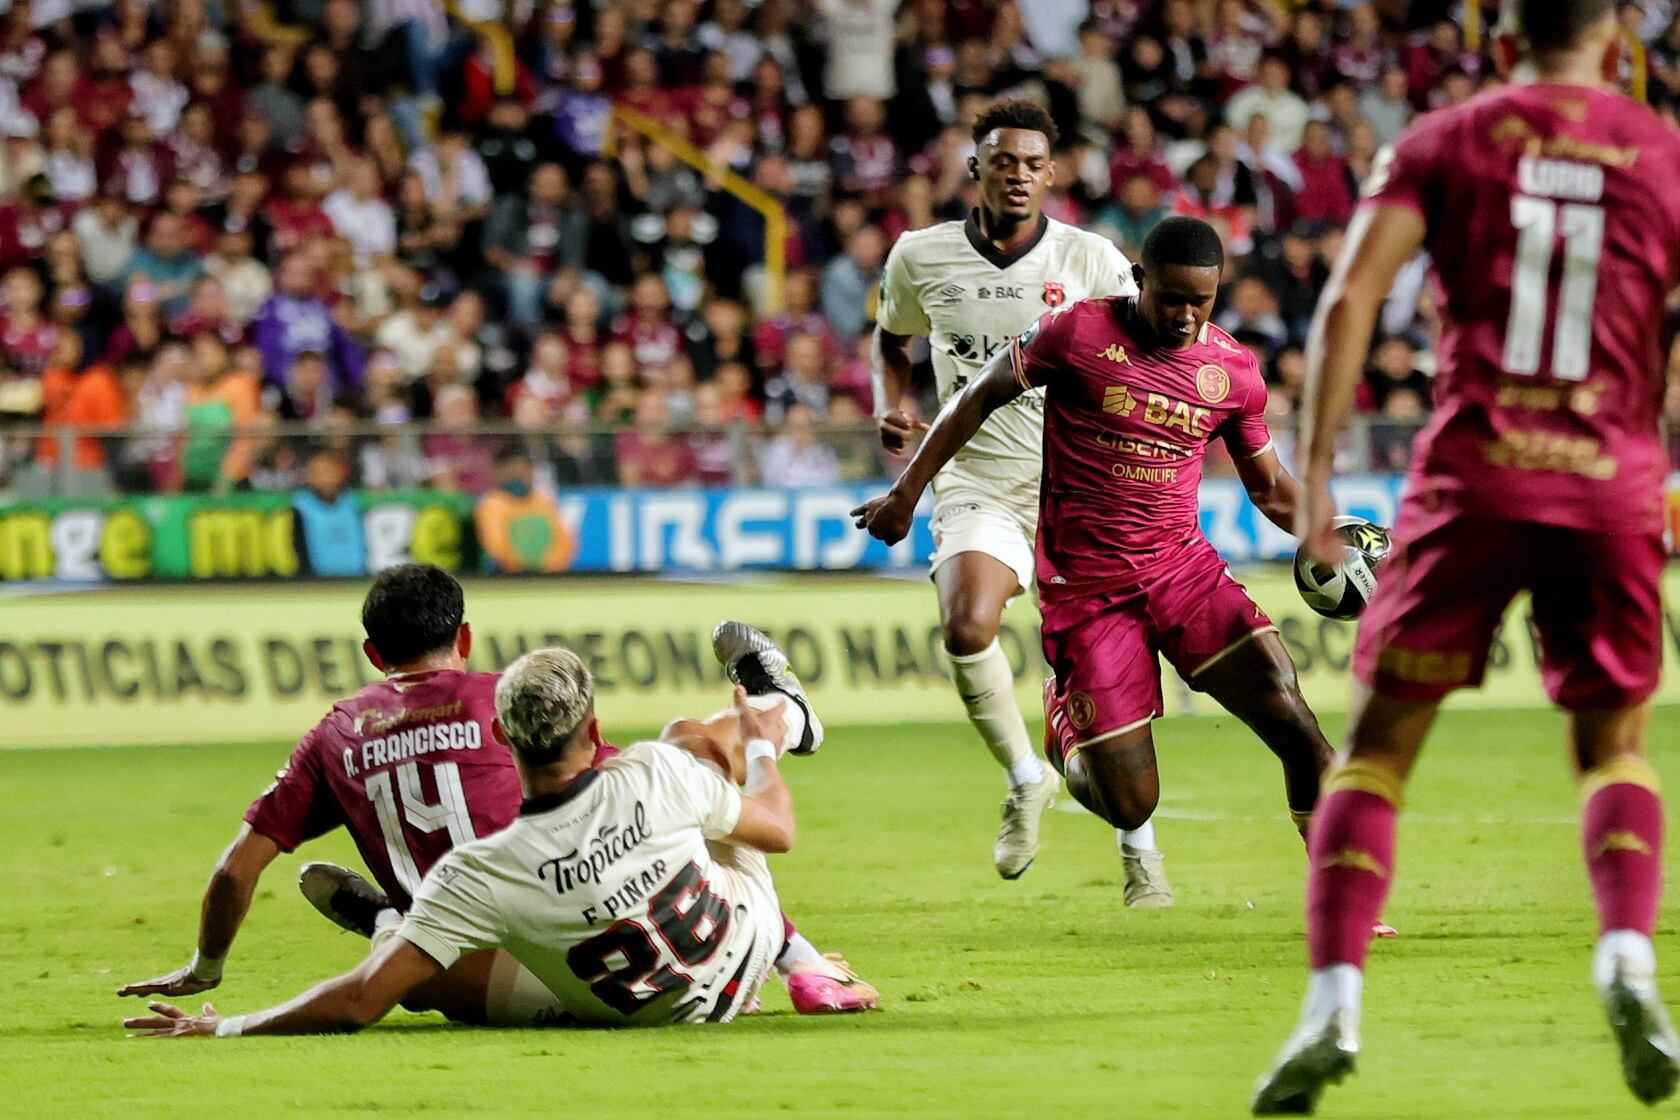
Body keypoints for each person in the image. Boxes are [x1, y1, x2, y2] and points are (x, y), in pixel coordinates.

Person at [1253, 2, 1680, 1112]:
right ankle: (1626, 960)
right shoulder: (1663, 153)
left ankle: (1333, 1001)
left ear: (1501, 42)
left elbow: (1349, 298)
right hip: (1610, 485)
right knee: (1613, 750)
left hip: (1472, 480)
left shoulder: (1444, 140)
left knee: (1375, 755)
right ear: (1618, 41)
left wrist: (1318, 480)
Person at [858, 218, 1364, 919]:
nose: (1186, 316)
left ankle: (1343, 903)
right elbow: (977, 395)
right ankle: (1065, 724)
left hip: (1184, 572)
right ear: (1139, 280)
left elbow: (1272, 487)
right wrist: (907, 492)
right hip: (1089, 592)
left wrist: (1328, 535)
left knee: (1293, 717)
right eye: (1171, 299)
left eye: (1201, 302)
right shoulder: (1076, 334)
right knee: (1130, 803)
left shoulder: (1234, 372)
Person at [118, 565, 877, 1022]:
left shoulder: (334, 736)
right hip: (595, 927)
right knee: (690, 752)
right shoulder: (504, 701)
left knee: (414, 980)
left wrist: (206, 971)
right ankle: (788, 726)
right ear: (466, 637)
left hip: (478, 953)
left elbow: (236, 871)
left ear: (374, 654)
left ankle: (387, 921)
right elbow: (629, 804)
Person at [871, 98, 1152, 892]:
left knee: (1108, 682)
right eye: (1003, 161)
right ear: (976, 168)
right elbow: (892, 338)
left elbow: (1147, 349)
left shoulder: (1090, 258)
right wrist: (890, 402)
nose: (1018, 175)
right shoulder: (920, 255)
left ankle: (1141, 850)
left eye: (1032, 163)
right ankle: (1027, 777)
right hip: (979, 480)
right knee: (966, 625)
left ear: (1052, 173)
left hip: (1081, 485)